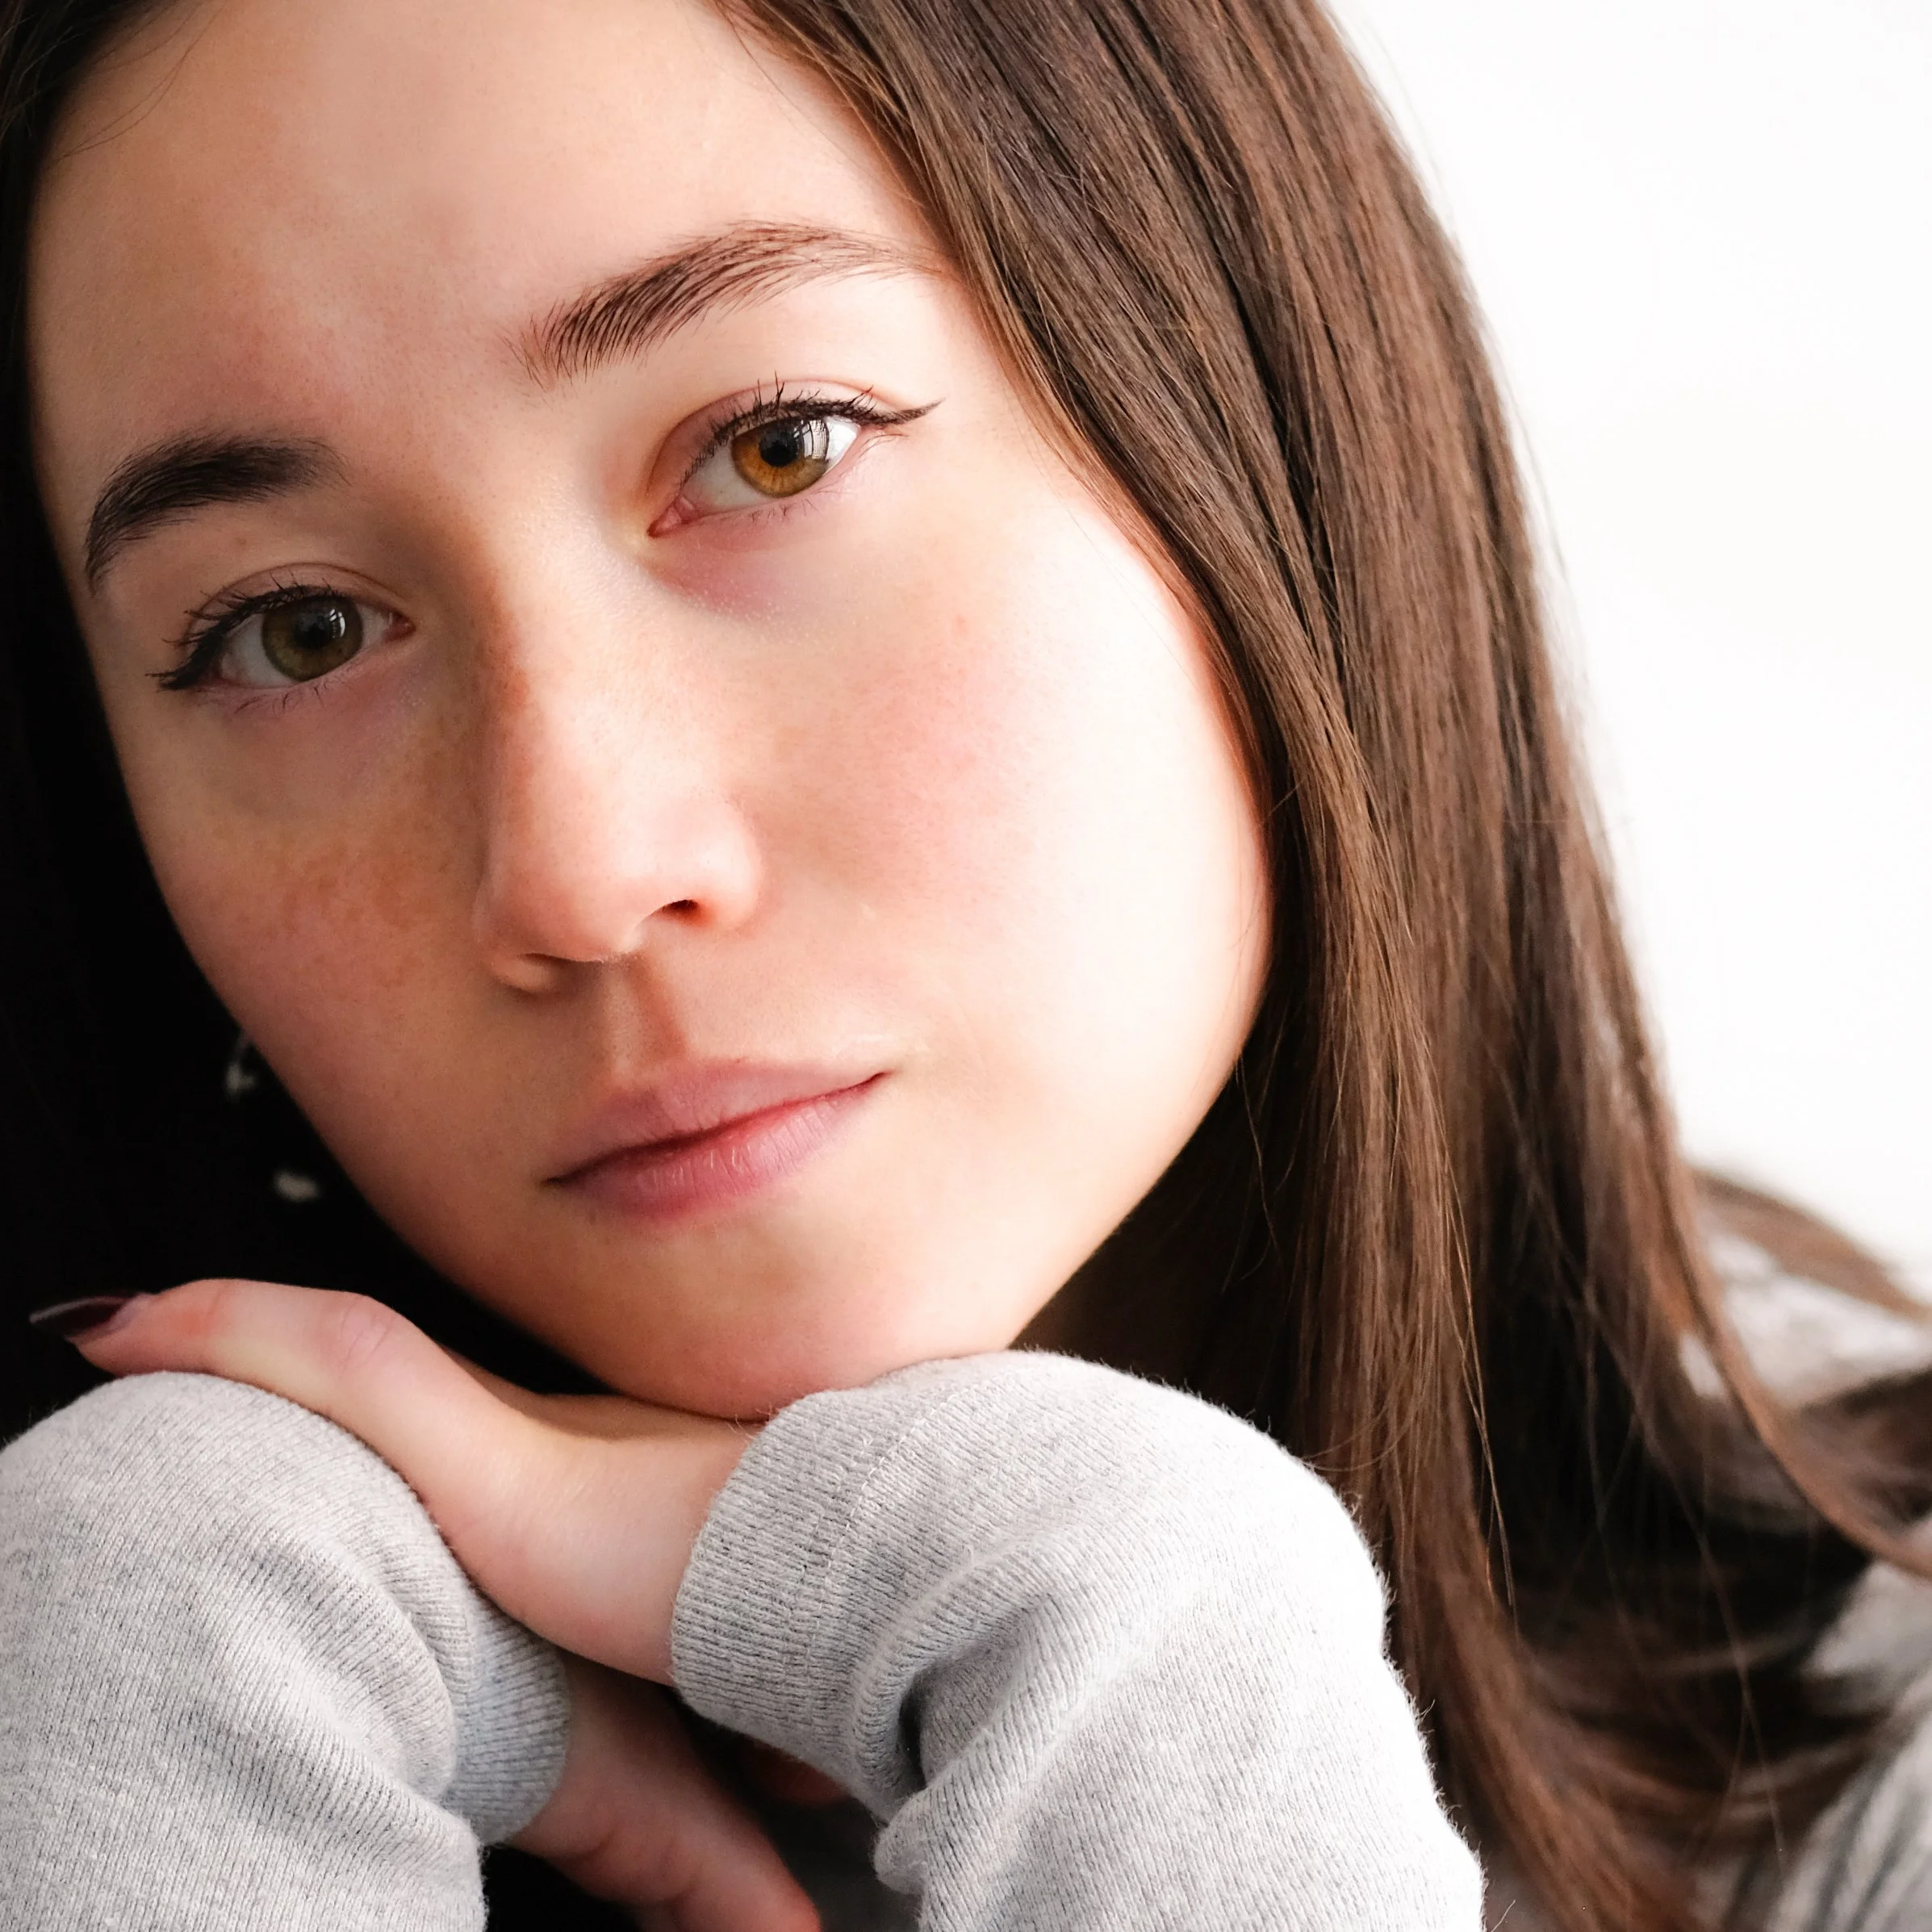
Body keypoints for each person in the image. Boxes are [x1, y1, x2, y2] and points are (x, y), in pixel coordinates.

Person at [0, 0, 1927, 1926]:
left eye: (775, 446)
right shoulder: (134, 1667)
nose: (581, 871)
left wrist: (1112, 1602)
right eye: (297, 631)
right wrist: (172, 1621)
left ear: (1256, 433)